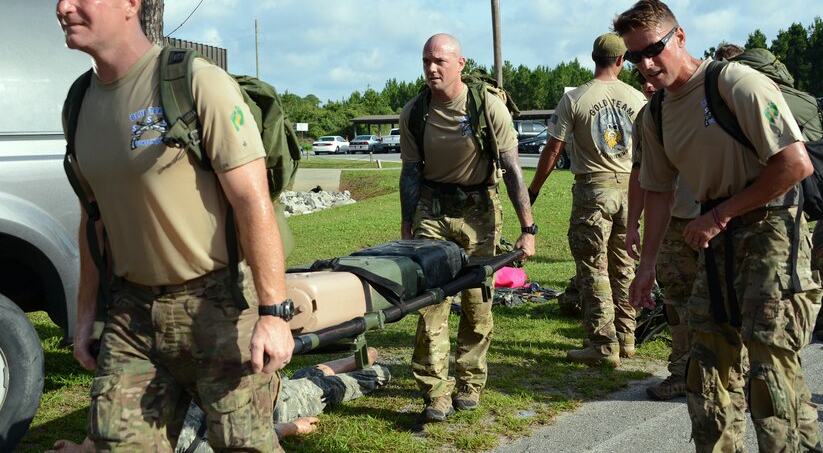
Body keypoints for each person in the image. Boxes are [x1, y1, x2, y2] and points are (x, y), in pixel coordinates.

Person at [24, 0, 294, 452]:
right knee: (115, 445)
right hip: (132, 312)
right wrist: (86, 316)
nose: (63, 6)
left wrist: (273, 313)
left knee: (245, 446)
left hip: (218, 304)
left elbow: (252, 201)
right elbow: (93, 217)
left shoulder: (194, 83)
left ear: (131, 1)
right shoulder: (78, 104)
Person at [615, 0, 823, 452]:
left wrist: (721, 214)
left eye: (654, 49)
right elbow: (658, 191)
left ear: (680, 36)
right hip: (712, 241)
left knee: (771, 378)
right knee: (705, 374)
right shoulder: (655, 114)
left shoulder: (734, 83)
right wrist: (647, 266)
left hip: (768, 229)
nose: (646, 65)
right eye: (634, 56)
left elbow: (794, 164)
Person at [399, 33, 536, 422]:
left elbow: (511, 169)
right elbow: (410, 173)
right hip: (432, 211)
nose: (431, 68)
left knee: (477, 303)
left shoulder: (486, 107)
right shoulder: (414, 112)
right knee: (430, 304)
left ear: (460, 63)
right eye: (426, 61)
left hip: (480, 212)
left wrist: (529, 229)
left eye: (440, 61)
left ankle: (470, 384)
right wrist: (407, 223)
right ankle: (434, 392)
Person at [528, 33, 646, 367]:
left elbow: (553, 149)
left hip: (593, 191)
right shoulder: (638, 99)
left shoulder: (576, 99)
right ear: (622, 61)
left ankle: (602, 344)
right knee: (624, 267)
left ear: (593, 57)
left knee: (593, 267)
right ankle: (626, 337)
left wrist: (534, 189)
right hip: (630, 189)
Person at [47, 348, 392, 453]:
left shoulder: (103, 423)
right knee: (313, 391)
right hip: (253, 411)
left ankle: (351, 360)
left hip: (228, 389)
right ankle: (378, 372)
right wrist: (286, 429)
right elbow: (223, 443)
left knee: (294, 382)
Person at [626, 69, 699, 400]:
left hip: (724, 219)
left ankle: (726, 372)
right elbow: (642, 175)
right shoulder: (649, 115)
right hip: (674, 221)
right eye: (642, 79)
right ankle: (682, 371)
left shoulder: (705, 101)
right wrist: (632, 224)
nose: (649, 84)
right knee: (676, 299)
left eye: (653, 77)